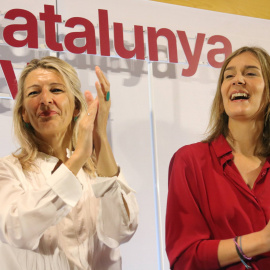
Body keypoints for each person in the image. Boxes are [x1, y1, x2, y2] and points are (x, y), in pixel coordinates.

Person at [0, 56, 138, 270]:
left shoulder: (97, 170)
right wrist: (77, 158)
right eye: (34, 93)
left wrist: (100, 134)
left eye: (56, 90)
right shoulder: (7, 170)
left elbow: (122, 231)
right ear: (24, 114)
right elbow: (17, 230)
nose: (45, 100)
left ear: (75, 107)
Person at [166, 46, 270, 270]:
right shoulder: (190, 161)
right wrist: (261, 241)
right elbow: (184, 259)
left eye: (251, 73)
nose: (238, 80)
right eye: (229, 75)